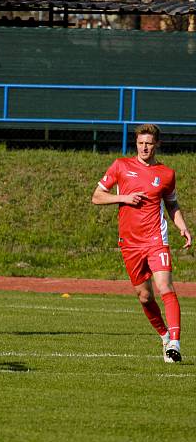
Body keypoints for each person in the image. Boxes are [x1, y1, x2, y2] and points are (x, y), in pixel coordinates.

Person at [92, 124, 191, 363]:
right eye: (140, 143)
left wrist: (183, 226)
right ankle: (165, 336)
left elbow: (171, 204)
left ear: (157, 144)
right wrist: (123, 197)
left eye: (148, 143)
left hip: (156, 238)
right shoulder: (121, 166)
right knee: (145, 296)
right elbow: (97, 197)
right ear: (136, 143)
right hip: (130, 242)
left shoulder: (166, 173)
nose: (144, 147)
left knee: (165, 286)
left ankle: (175, 344)